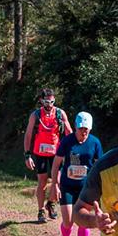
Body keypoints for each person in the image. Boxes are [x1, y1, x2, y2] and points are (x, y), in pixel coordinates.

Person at [50, 111, 103, 236]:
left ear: (90, 129)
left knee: (83, 221)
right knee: (68, 221)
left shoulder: (94, 143)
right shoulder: (67, 141)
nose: (83, 132)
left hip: (85, 188)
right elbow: (56, 163)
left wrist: (100, 186)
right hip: (67, 186)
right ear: (75, 127)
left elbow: (100, 164)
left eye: (86, 129)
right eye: (81, 129)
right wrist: (54, 184)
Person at [23, 88, 71, 224]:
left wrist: (73, 149)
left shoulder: (60, 114)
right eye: (46, 102)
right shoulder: (36, 115)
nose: (49, 105)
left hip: (57, 153)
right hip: (40, 153)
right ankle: (41, 210)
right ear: (41, 101)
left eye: (52, 102)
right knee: (42, 182)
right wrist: (27, 155)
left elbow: (69, 132)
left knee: (58, 182)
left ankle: (51, 203)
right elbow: (28, 135)